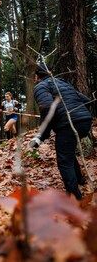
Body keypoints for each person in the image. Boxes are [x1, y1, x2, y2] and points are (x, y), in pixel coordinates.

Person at [29, 63, 92, 200]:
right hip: (85, 120)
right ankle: (80, 179)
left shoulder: (40, 86)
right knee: (67, 151)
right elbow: (87, 101)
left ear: (36, 77)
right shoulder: (61, 83)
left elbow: (46, 107)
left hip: (69, 124)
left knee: (64, 160)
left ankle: (75, 199)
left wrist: (41, 135)